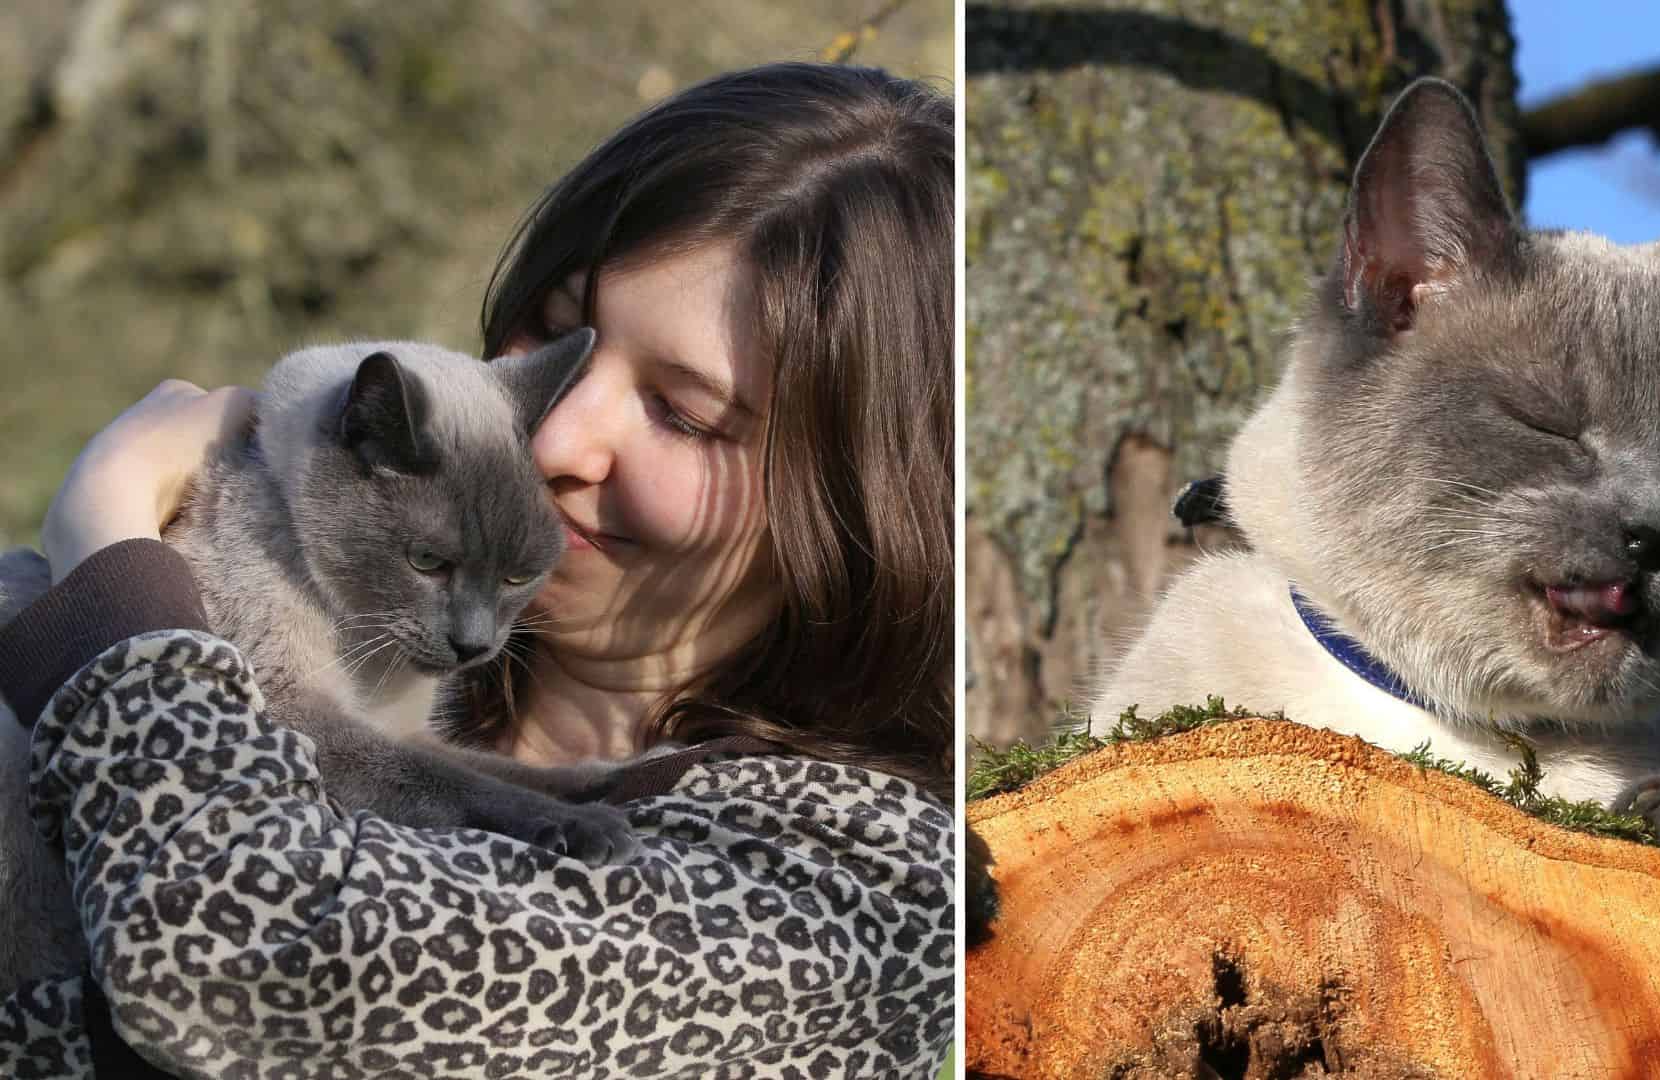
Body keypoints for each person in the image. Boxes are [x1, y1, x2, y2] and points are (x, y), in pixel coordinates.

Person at [0, 61, 954, 1079]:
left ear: (857, 494)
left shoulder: (855, 880)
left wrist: (108, 536)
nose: (557, 445)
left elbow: (237, 956)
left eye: (685, 414)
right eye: (554, 336)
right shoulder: (351, 624)